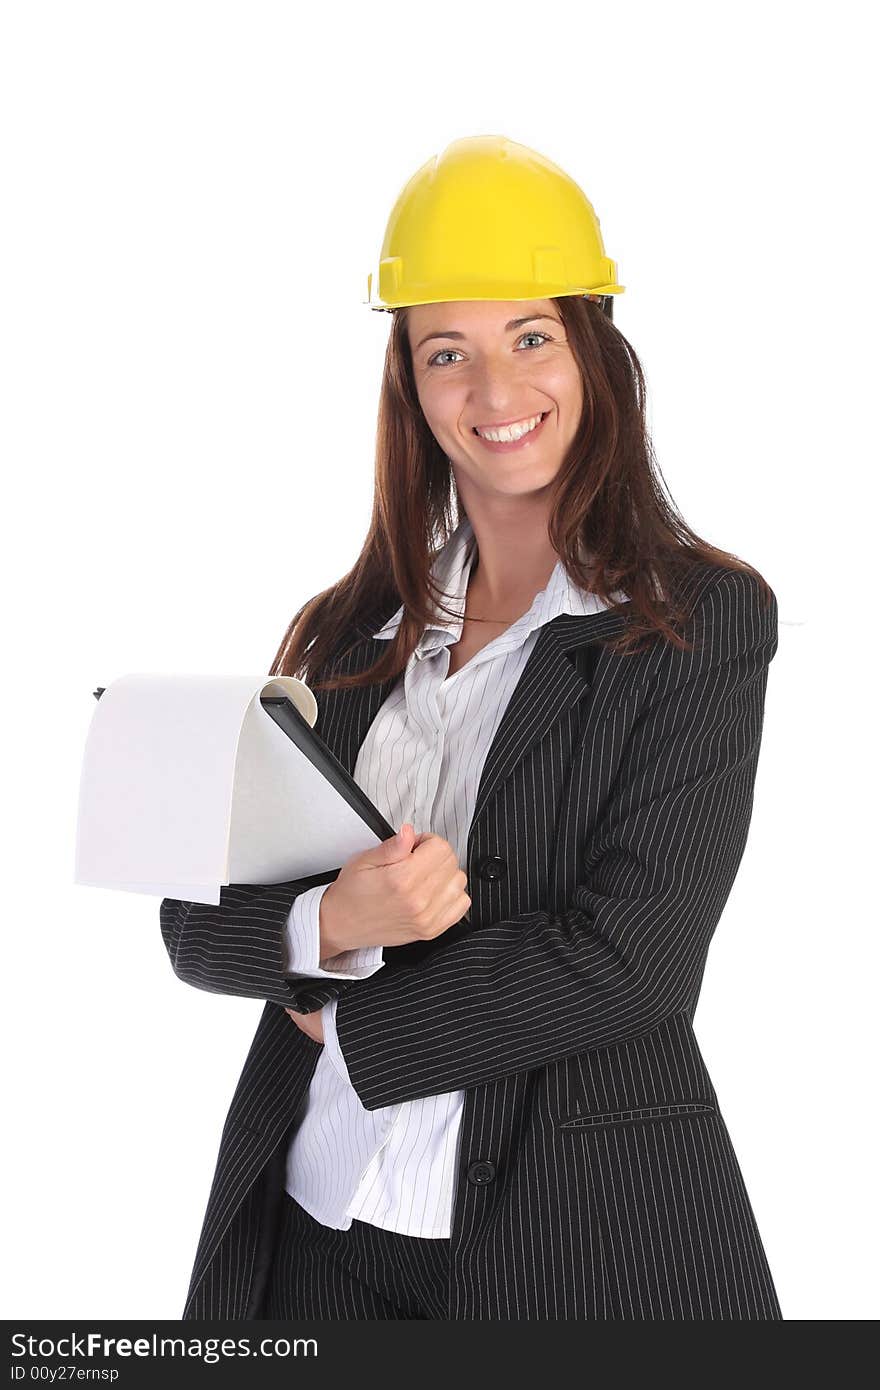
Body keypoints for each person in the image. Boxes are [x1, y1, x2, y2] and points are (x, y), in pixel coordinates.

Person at [160, 134, 783, 1320]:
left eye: (530, 338)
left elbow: (634, 958)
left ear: (594, 350)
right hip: (315, 1226)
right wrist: (331, 919)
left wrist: (346, 1014)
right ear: (409, 379)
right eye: (448, 352)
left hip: (572, 1228)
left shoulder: (694, 620)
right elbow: (193, 917)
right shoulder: (346, 632)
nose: (495, 394)